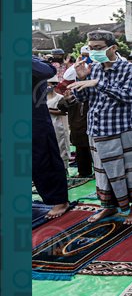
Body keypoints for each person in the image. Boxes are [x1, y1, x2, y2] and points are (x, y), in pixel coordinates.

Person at [69, 30, 132, 224]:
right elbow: (83, 99)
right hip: (95, 129)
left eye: (98, 48)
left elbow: (127, 96)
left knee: (128, 171)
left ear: (113, 47)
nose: (93, 52)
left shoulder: (130, 69)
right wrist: (80, 79)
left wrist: (98, 83)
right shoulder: (92, 68)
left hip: (119, 129)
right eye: (91, 48)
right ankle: (108, 207)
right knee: (102, 172)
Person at [32, 56, 70, 219]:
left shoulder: (30, 61)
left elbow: (49, 71)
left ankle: (59, 200)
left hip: (33, 118)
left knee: (43, 159)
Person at [58, 88, 92, 178]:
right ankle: (84, 172)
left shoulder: (91, 92)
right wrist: (68, 99)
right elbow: (61, 107)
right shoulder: (72, 93)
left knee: (94, 152)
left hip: (90, 126)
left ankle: (98, 173)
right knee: (81, 151)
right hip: (76, 128)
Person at [45, 76, 71, 166]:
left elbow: (64, 112)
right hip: (46, 127)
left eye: (48, 84)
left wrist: (48, 111)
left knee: (61, 146)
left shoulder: (60, 98)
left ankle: (64, 167)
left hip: (58, 126)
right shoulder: (42, 99)